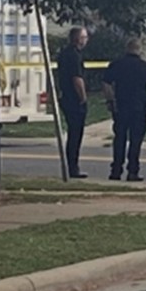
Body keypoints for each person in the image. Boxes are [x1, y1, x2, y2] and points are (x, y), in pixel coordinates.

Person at [102, 37, 146, 182]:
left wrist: (110, 100)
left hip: (121, 107)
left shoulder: (116, 65)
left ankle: (116, 171)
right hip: (139, 108)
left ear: (126, 49)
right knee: (136, 140)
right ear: (139, 50)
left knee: (119, 138)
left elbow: (106, 84)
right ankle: (132, 171)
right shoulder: (145, 66)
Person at [56, 26, 91, 179]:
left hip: (65, 96)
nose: (86, 40)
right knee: (76, 133)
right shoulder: (74, 56)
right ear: (78, 39)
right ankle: (73, 167)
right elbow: (77, 79)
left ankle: (71, 166)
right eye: (84, 37)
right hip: (74, 99)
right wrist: (83, 97)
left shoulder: (64, 53)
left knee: (73, 132)